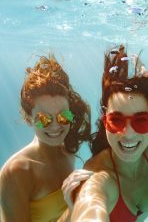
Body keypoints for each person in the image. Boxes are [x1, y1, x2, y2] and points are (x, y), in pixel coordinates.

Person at [63, 45, 148, 221]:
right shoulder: (98, 175)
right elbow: (92, 208)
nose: (128, 133)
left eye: (141, 121)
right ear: (105, 122)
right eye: (116, 120)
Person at [0, 54, 92, 222]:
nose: (56, 126)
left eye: (63, 116)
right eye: (44, 119)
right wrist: (72, 208)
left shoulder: (67, 150)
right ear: (29, 118)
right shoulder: (18, 171)